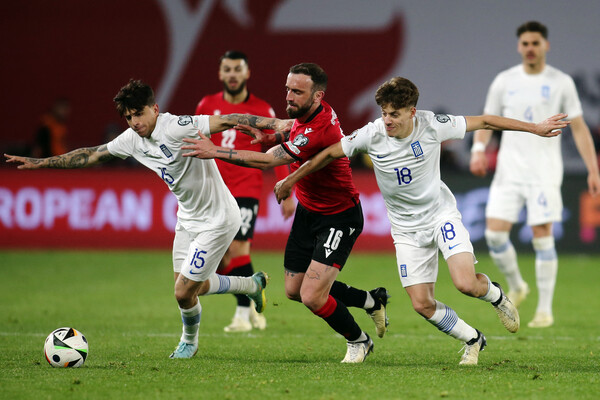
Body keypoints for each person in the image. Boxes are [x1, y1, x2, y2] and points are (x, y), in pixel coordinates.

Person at [269, 77, 569, 365]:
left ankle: (496, 295)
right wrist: (291, 179)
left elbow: (486, 121)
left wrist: (535, 128)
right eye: (384, 113)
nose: (387, 120)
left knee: (466, 284)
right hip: (406, 230)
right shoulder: (371, 134)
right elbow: (328, 154)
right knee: (422, 304)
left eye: (395, 114)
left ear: (412, 112)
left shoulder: (432, 125)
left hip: (440, 217)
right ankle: (473, 339)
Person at [4, 79, 272, 359]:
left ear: (154, 109)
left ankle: (189, 343)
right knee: (194, 287)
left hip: (219, 218)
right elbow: (92, 155)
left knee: (182, 292)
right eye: (129, 117)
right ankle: (250, 285)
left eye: (139, 114)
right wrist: (42, 162)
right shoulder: (131, 140)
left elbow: (228, 119)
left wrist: (276, 125)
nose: (134, 122)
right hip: (188, 218)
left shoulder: (177, 126)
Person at [182, 63, 390, 363]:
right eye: (288, 89)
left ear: (317, 96)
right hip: (308, 211)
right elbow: (287, 129)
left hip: (339, 217)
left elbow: (267, 161)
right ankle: (371, 300)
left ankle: (359, 340)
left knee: (312, 296)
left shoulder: (320, 128)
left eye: (297, 92)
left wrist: (214, 151)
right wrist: (274, 136)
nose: (289, 96)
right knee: (294, 289)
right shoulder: (308, 116)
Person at [470, 21, 600, 328]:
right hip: (509, 171)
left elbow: (579, 127)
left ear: (546, 46)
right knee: (494, 234)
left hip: (544, 172)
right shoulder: (504, 80)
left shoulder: (561, 82)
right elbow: (487, 121)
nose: (530, 48)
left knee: (543, 235)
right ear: (519, 46)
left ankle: (544, 309)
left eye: (535, 43)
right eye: (525, 43)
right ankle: (518, 285)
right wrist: (478, 149)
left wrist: (593, 169)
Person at [195, 50, 295, 333]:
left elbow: (277, 150)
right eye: (227, 69)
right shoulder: (206, 104)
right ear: (220, 73)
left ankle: (241, 314)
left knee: (239, 248)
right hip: (213, 189)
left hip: (245, 188)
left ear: (247, 73)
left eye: (237, 69)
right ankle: (251, 292)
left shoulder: (262, 109)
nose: (232, 74)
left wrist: (286, 189)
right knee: (222, 259)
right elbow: (195, 141)